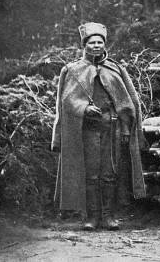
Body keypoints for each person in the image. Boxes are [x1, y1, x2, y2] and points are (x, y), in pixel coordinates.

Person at [51, 22, 147, 231]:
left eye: (100, 42)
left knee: (110, 172)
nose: (96, 46)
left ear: (105, 44)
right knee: (91, 173)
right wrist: (84, 109)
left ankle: (109, 217)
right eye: (92, 42)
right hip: (86, 129)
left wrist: (126, 128)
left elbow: (129, 102)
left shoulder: (115, 69)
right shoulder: (72, 70)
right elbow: (66, 102)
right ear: (84, 45)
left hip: (111, 128)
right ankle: (92, 218)